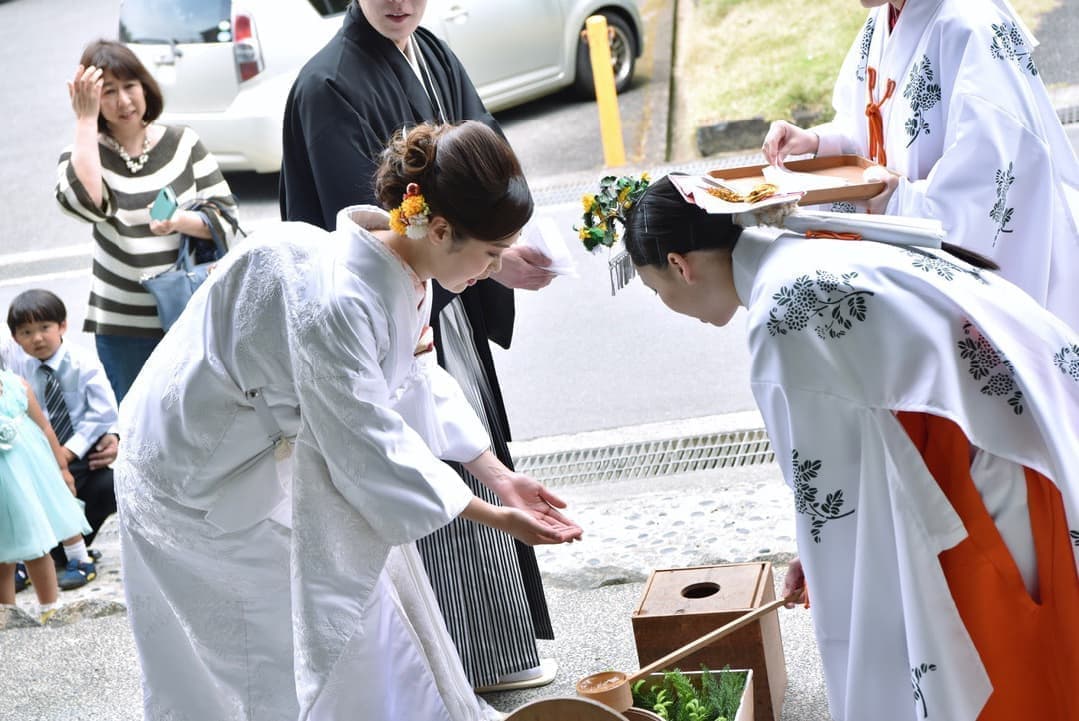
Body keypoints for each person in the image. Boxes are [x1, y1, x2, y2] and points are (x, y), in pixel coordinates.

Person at [117, 120, 582, 721]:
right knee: (273, 657)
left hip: (260, 456)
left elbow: (411, 383)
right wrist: (494, 517)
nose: (495, 269)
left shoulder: (400, 267)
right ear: (438, 227)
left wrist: (496, 475)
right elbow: (367, 439)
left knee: (365, 624)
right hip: (192, 478)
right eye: (492, 254)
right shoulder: (340, 301)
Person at [613, 174, 1079, 721]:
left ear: (679, 265)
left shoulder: (779, 313)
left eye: (655, 290)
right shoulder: (800, 249)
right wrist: (809, 554)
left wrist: (821, 560)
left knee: (1004, 663)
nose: (668, 302)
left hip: (983, 467)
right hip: (1014, 427)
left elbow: (827, 494)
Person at [280, 0, 559, 691]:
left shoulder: (430, 50)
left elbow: (483, 159)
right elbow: (379, 440)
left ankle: (482, 654)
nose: (400, 1)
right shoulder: (328, 85)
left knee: (458, 433)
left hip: (436, 283)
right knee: (406, 454)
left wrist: (501, 248)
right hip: (397, 304)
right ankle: (449, 660)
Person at [761, 0, 1079, 331]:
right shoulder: (883, 18)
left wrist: (902, 200)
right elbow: (875, 124)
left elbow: (991, 177)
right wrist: (816, 141)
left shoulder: (969, 24)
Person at [56, 39, 241, 402]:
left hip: (193, 314)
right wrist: (84, 121)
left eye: (130, 86)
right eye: (108, 92)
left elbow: (227, 219)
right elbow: (88, 203)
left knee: (207, 419)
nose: (124, 100)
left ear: (145, 86)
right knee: (143, 432)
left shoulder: (183, 142)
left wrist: (179, 221)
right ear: (91, 98)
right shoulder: (83, 152)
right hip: (123, 326)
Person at [4, 289, 118, 590]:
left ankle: (76, 555)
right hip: (29, 447)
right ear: (15, 339)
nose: (37, 338)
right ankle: (25, 560)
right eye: (26, 333)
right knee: (17, 497)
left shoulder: (83, 363)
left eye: (45, 328)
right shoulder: (13, 361)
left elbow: (102, 413)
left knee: (97, 487)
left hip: (77, 447)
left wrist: (66, 453)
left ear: (62, 326)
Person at [0, 356, 91, 623]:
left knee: (37, 545)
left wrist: (62, 468)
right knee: (2, 560)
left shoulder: (17, 386)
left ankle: (49, 607)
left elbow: (45, 428)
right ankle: (8, 616)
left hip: (28, 481)